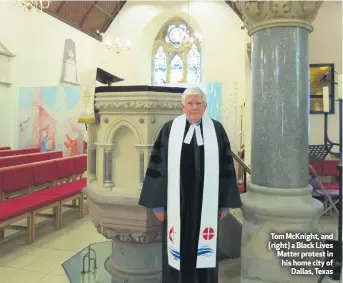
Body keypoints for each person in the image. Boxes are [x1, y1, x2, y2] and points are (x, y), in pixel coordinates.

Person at [138, 87, 242, 283]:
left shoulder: (217, 130)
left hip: (207, 204)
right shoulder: (169, 130)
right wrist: (158, 204)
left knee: (205, 249)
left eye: (198, 103)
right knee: (177, 247)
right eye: (190, 103)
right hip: (177, 203)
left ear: (205, 106)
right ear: (182, 106)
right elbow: (157, 166)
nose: (194, 107)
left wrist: (224, 203)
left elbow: (226, 167)